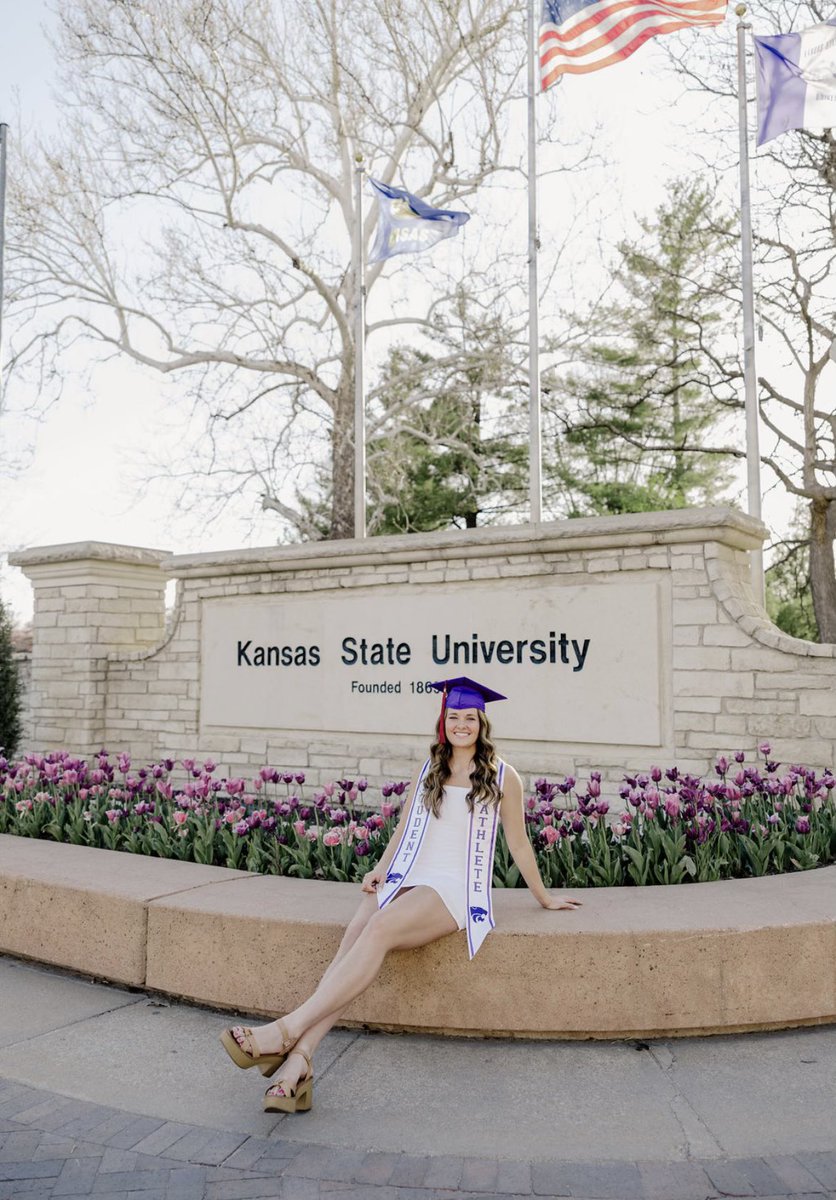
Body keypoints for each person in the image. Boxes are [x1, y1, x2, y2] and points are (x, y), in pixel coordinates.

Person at [219, 675, 582, 1113]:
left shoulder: (505, 777)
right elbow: (406, 827)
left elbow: (520, 843)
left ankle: (284, 1030)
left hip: (454, 885)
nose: (462, 725)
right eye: (454, 717)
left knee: (379, 928)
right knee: (352, 939)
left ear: (482, 724)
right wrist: (380, 869)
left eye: (470, 718)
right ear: (443, 722)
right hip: (412, 871)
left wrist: (543, 897)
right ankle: (297, 1063)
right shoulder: (429, 770)